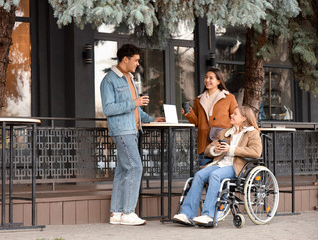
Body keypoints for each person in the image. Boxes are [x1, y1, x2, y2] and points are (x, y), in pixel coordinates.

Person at [100, 44, 165, 226]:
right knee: (135, 167)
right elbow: (108, 108)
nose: (138, 63)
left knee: (123, 171)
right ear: (125, 59)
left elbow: (135, 110)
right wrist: (134, 102)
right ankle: (128, 212)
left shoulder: (130, 78)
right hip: (122, 131)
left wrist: (151, 120)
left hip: (132, 130)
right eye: (135, 60)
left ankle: (117, 213)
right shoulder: (109, 80)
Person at [173, 106, 262, 226]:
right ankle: (187, 214)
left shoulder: (252, 133)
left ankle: (208, 215)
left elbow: (256, 152)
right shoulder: (225, 133)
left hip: (236, 167)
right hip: (220, 164)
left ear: (244, 118)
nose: (231, 115)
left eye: (235, 114)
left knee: (214, 175)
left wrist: (232, 149)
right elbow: (207, 150)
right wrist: (216, 149)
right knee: (199, 175)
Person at [183, 67, 238, 166]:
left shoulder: (229, 98)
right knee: (204, 172)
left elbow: (236, 118)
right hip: (204, 143)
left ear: (218, 81)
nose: (207, 80)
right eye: (206, 77)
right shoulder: (198, 100)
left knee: (218, 173)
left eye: (211, 78)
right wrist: (188, 114)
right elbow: (196, 122)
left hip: (222, 142)